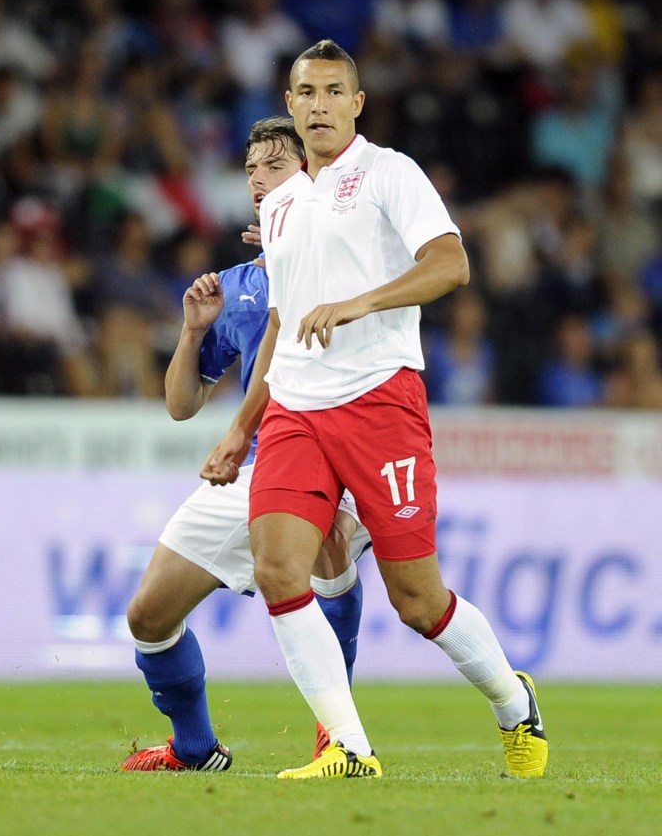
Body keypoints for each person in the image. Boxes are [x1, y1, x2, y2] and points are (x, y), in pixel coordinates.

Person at [202, 40, 548, 780]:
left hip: (380, 402)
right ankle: (350, 747)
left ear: (357, 103)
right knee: (278, 566)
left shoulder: (391, 173)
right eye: (307, 92)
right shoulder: (286, 203)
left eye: (334, 91)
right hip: (296, 406)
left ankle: (513, 702)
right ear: (290, 106)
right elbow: (279, 323)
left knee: (419, 601)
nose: (320, 104)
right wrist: (241, 428)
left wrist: (360, 302)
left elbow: (451, 263)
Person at [121, 117, 370, 773]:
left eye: (275, 165)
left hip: (327, 448)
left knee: (332, 541)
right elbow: (180, 404)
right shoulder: (235, 286)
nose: (258, 178)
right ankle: (196, 748)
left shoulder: (342, 247)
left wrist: (305, 245)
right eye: (252, 167)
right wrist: (191, 332)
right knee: (148, 616)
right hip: (254, 466)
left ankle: (338, 735)